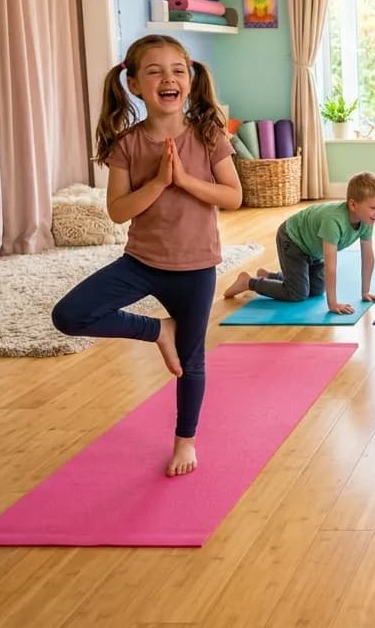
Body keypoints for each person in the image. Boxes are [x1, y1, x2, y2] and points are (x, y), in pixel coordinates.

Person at [51, 34, 242, 477]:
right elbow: (118, 212)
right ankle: (159, 329)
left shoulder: (209, 136)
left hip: (196, 269)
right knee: (69, 314)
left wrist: (183, 180)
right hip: (140, 264)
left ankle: (185, 442)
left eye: (176, 70)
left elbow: (233, 196)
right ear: (134, 85)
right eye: (154, 72)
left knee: (191, 361)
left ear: (189, 79)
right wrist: (157, 182)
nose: (167, 79)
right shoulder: (127, 145)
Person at [222, 172, 375, 312]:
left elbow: (367, 257)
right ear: (353, 204)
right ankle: (249, 282)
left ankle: (271, 276)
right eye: (374, 207)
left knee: (316, 290)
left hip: (313, 251)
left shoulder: (367, 220)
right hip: (293, 239)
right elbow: (331, 266)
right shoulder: (334, 222)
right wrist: (333, 304)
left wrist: (366, 292)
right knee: (297, 294)